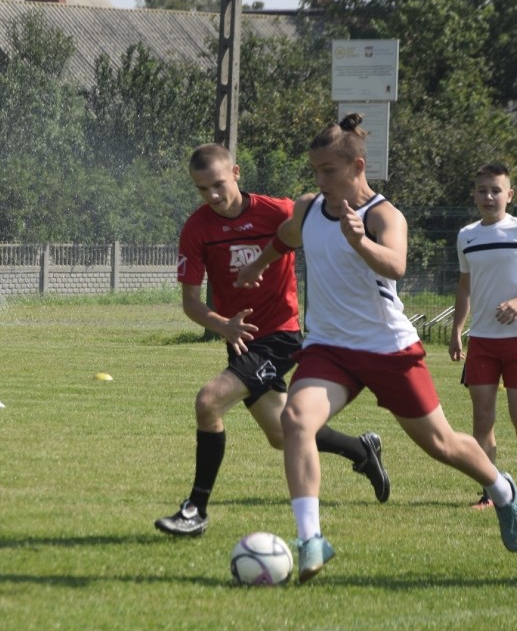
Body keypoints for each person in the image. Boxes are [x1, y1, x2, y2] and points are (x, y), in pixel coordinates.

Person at [237, 114, 517, 582]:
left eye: (328, 170)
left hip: (387, 348)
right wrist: (259, 264)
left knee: (442, 444)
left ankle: (502, 488)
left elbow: (394, 264)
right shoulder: (309, 207)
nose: (318, 180)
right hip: (328, 348)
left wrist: (359, 242)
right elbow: (287, 238)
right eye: (314, 171)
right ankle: (311, 540)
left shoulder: (382, 215)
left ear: (356, 166)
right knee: (295, 420)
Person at [154, 143, 390, 537]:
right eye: (201, 189)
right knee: (282, 435)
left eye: (217, 184)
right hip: (240, 341)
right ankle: (362, 450)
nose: (212, 196)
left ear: (236, 173)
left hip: (280, 336)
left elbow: (321, 212)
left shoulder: (277, 211)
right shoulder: (197, 229)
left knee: (208, 401)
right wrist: (223, 325)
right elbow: (191, 304)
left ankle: (195, 509)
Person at [449, 163, 517, 510]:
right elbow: (465, 287)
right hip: (482, 340)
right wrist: (456, 330)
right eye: (482, 190)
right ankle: (491, 491)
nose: (489, 196)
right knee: (482, 419)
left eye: (496, 190)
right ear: (474, 195)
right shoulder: (466, 235)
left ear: (509, 195)